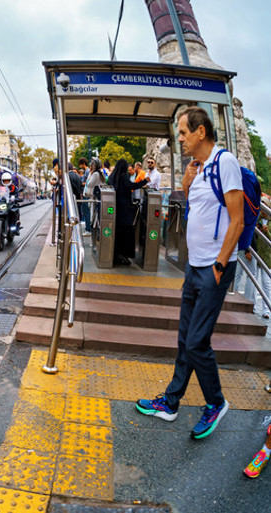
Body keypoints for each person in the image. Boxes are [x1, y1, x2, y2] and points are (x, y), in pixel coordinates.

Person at [136, 106, 242, 440]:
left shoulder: (225, 162)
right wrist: (185, 184)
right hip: (194, 267)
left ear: (200, 132)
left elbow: (236, 220)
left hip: (215, 267)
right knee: (185, 339)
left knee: (197, 342)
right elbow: (202, 212)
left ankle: (216, 402)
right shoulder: (198, 167)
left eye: (183, 133)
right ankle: (171, 402)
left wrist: (220, 265)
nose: (179, 139)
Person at [107, 159, 148, 265]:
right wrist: (144, 181)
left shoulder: (112, 177)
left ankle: (114, 254)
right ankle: (123, 253)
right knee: (127, 231)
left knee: (117, 231)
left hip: (114, 207)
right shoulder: (123, 176)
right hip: (125, 208)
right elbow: (131, 186)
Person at [83, 158, 105, 232]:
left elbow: (89, 184)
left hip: (95, 197)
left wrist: (90, 175)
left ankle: (94, 231)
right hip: (96, 197)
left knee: (93, 215)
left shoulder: (95, 174)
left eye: (91, 164)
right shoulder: (99, 173)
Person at [77, 157, 91, 233]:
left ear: (83, 164)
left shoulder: (87, 171)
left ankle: (88, 228)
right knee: (86, 211)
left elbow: (88, 182)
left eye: (80, 165)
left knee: (86, 211)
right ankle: (87, 227)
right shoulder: (86, 171)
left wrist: (81, 183)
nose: (80, 167)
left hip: (86, 193)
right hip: (85, 193)